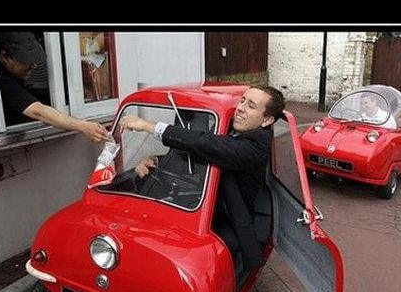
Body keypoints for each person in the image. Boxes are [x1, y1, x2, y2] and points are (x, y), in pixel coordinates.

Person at [120, 85, 285, 273]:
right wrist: (158, 160)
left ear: (267, 120)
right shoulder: (230, 127)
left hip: (228, 220)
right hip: (203, 205)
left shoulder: (256, 147)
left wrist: (149, 126)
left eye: (251, 106)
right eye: (242, 101)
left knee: (196, 263)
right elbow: (199, 152)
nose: (240, 108)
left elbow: (207, 144)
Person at [0, 32, 110, 142]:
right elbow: (38, 111)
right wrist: (84, 127)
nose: (33, 66)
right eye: (26, 61)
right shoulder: (0, 82)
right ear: (4, 56)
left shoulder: (17, 72)